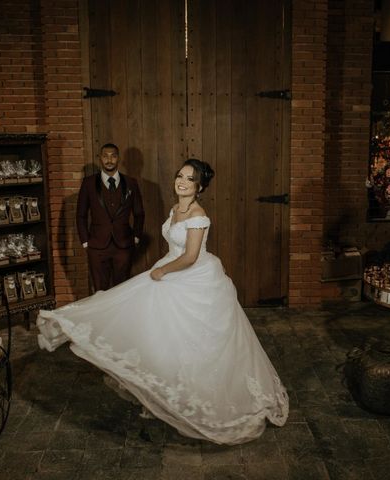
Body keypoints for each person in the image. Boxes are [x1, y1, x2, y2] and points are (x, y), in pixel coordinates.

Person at [37, 159, 288, 445]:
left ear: (200, 186)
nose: (181, 181)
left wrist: (162, 271)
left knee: (190, 339)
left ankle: (196, 396)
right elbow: (176, 249)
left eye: (189, 179)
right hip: (170, 267)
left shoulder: (198, 215)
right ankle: (159, 394)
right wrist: (162, 268)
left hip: (192, 277)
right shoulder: (175, 209)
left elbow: (191, 256)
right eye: (179, 176)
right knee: (158, 333)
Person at [76, 143, 145, 291]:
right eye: (105, 156)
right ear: (100, 158)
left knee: (122, 291)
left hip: (124, 246)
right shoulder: (88, 183)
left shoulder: (131, 183)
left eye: (113, 156)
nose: (109, 160)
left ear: (118, 158)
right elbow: (81, 215)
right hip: (96, 246)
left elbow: (139, 213)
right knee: (100, 290)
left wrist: (136, 237)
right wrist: (85, 242)